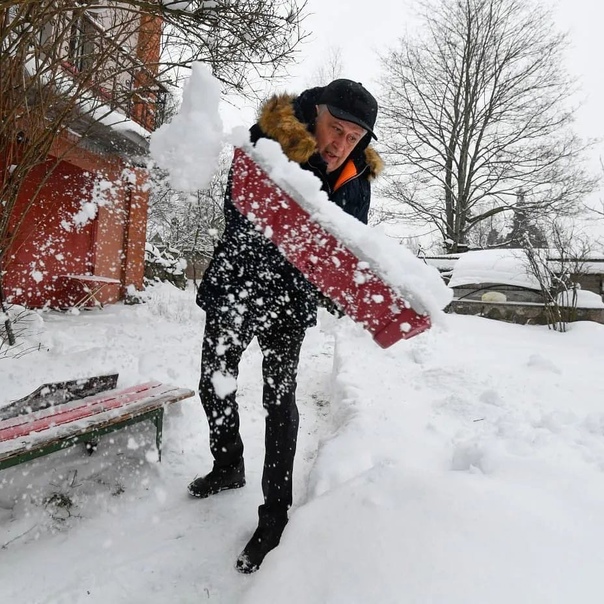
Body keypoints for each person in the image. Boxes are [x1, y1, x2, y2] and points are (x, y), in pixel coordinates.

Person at [189, 79, 383, 573]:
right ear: (314, 114)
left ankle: (274, 515)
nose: (340, 144)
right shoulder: (269, 137)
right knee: (215, 383)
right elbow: (239, 206)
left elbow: (345, 243)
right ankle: (228, 462)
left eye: (353, 137)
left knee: (280, 399)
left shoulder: (357, 179)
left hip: (288, 300)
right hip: (239, 279)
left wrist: (341, 288)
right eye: (334, 129)